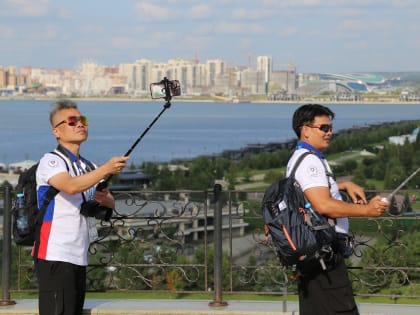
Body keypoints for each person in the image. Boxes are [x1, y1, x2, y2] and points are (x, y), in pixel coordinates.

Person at [287, 103, 389, 315]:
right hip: (324, 256)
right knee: (342, 310)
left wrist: (343, 185)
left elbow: (309, 191)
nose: (329, 133)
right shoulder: (310, 162)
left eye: (331, 128)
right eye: (324, 128)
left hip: (313, 254)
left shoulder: (303, 157)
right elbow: (324, 205)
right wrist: (367, 211)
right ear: (305, 130)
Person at [34, 100, 129, 315]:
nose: (79, 124)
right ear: (56, 131)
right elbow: (70, 186)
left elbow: (111, 202)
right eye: (72, 121)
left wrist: (103, 197)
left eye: (82, 120)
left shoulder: (88, 166)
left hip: (78, 254)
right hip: (55, 253)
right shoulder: (51, 161)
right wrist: (106, 168)